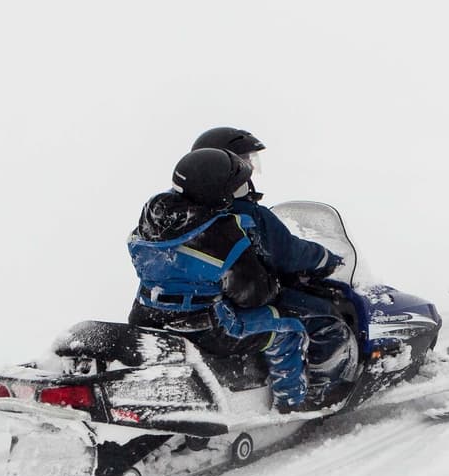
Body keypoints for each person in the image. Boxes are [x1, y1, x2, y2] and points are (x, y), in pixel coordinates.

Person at [127, 149, 347, 416]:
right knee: (289, 330)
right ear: (216, 192)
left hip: (149, 313)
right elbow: (253, 294)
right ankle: (292, 408)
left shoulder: (153, 217)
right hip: (207, 326)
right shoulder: (222, 231)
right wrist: (273, 286)